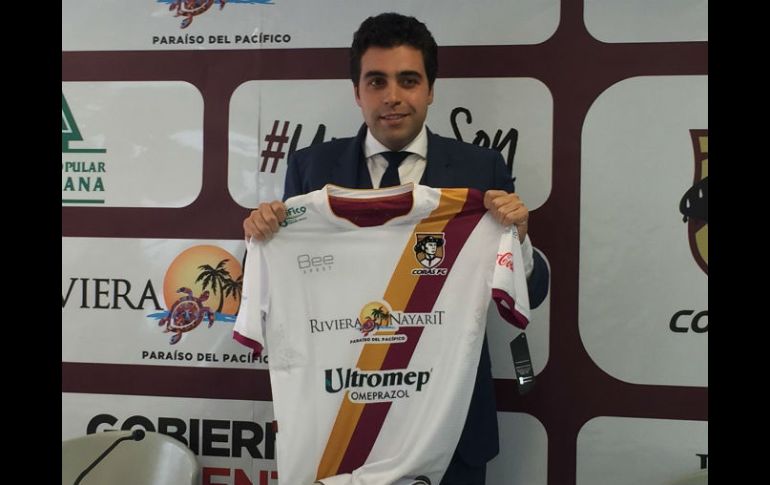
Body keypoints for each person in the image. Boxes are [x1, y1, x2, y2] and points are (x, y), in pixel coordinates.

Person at [242, 12, 550, 485]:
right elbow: (278, 283)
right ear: (357, 91)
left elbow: (533, 289)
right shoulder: (310, 168)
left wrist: (519, 240)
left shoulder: (480, 170)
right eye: (376, 81)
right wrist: (261, 238)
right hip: (341, 418)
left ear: (430, 89)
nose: (392, 97)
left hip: (450, 425)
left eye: (408, 80)